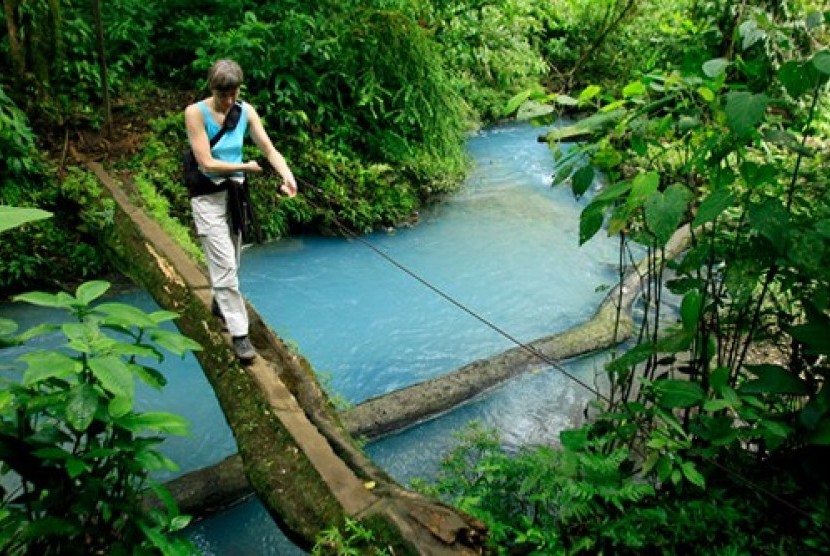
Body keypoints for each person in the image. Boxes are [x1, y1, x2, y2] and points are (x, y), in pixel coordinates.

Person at [184, 59, 297, 361]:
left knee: (232, 259)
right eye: (224, 95)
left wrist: (288, 175)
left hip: (234, 194)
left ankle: (220, 302)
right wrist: (243, 166)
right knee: (224, 266)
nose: (229, 101)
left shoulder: (245, 111)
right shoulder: (195, 113)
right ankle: (240, 335)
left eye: (234, 94)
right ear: (213, 89)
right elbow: (206, 162)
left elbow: (269, 149)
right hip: (207, 196)